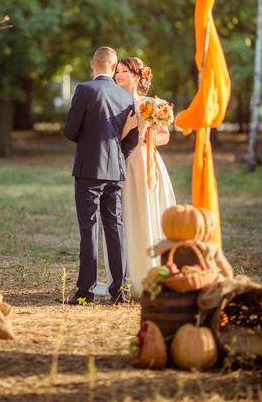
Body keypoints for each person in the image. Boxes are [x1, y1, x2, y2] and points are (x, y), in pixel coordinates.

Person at [63, 47, 139, 305]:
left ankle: (86, 291)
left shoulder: (84, 90)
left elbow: (70, 130)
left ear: (92, 64)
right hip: (115, 171)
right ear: (115, 65)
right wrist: (117, 155)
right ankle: (120, 291)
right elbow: (132, 138)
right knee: (115, 228)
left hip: (88, 170)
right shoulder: (126, 96)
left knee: (89, 229)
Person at [100, 57, 177, 298]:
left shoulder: (153, 104)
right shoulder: (112, 103)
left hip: (148, 164)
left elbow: (165, 136)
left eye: (124, 71)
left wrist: (148, 138)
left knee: (148, 212)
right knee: (125, 215)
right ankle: (125, 277)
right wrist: (130, 127)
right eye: (117, 70)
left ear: (137, 76)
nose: (118, 74)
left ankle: (152, 273)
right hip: (123, 164)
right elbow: (110, 138)